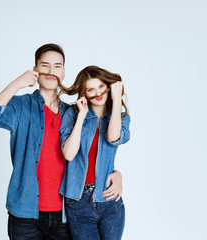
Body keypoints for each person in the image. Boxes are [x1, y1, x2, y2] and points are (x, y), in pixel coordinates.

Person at [0, 44, 124, 240]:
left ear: (63, 72)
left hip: (65, 214)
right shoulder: (21, 107)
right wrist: (17, 84)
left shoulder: (73, 113)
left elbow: (96, 151)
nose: (51, 71)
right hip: (25, 213)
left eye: (57, 66)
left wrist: (116, 173)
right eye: (45, 65)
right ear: (36, 70)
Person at [59, 65, 131, 240]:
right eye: (90, 89)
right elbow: (68, 154)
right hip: (78, 201)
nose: (97, 93)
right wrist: (82, 115)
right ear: (84, 93)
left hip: (109, 200)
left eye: (101, 86)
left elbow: (113, 137)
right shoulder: (72, 115)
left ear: (108, 86)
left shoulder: (121, 117)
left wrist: (115, 100)